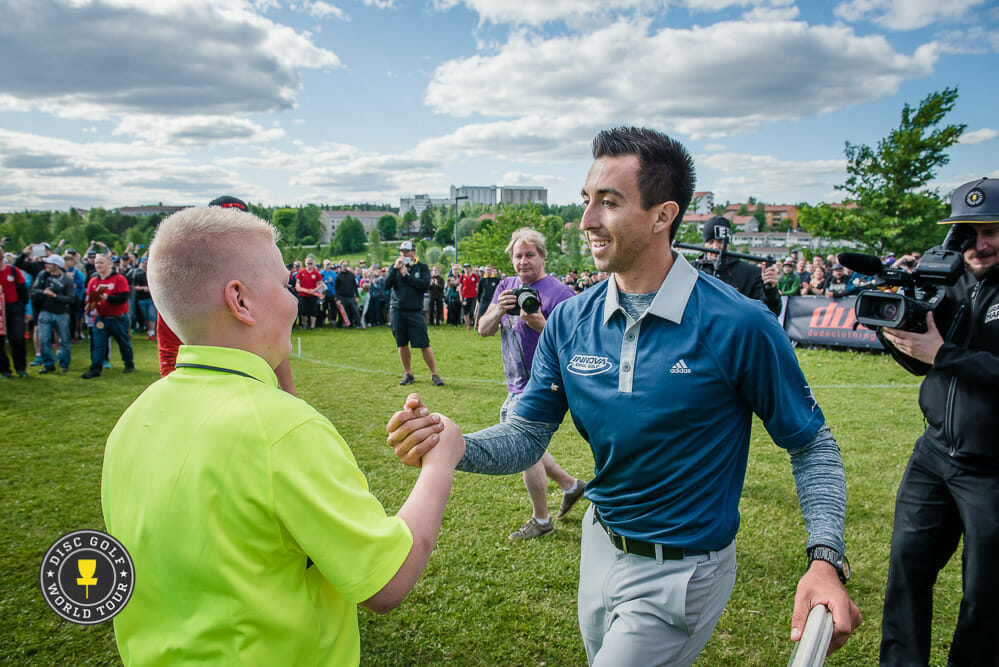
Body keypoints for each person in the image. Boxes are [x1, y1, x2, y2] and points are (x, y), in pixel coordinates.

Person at [388, 126, 860, 666]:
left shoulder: (740, 324)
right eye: (586, 200)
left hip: (683, 570)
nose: (586, 221)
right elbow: (526, 435)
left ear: (663, 216)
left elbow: (812, 444)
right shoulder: (569, 319)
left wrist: (825, 556)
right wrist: (456, 444)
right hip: (600, 542)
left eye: (608, 203)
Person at [101, 205, 464, 665]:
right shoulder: (285, 430)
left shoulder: (132, 420)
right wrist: (441, 459)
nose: (294, 300)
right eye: (285, 284)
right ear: (240, 300)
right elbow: (385, 581)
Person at [877, 177, 999, 666]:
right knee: (907, 572)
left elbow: (944, 357)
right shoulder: (949, 280)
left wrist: (944, 353)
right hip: (934, 453)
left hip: (992, 469)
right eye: (968, 231)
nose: (979, 244)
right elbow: (923, 362)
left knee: (985, 593)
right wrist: (896, 333)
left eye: (992, 231)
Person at [477, 227, 586, 540]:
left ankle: (541, 520)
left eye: (530, 255)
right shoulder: (506, 286)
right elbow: (482, 330)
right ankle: (570, 484)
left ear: (542, 256)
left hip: (545, 384)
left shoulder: (560, 293)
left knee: (523, 446)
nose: (523, 261)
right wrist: (499, 308)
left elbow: (578, 343)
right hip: (515, 382)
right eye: (517, 255)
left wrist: (541, 323)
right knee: (532, 447)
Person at [693, 216, 781, 314]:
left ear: (728, 242)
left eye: (720, 241)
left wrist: (770, 290)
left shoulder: (751, 273)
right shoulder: (692, 270)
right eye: (710, 242)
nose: (715, 247)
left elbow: (771, 312)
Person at [386, 241, 444, 386]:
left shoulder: (422, 267)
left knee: (424, 343)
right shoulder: (394, 268)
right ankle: (408, 373)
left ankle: (434, 374)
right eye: (401, 252)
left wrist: (407, 276)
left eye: (406, 252)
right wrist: (395, 269)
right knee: (402, 343)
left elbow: (425, 285)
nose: (403, 255)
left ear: (413, 252)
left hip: (415, 311)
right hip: (397, 310)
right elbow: (386, 285)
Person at [81, 253, 134, 378]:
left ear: (109, 264)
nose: (98, 265)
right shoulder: (93, 281)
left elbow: (123, 298)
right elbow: (88, 297)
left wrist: (107, 298)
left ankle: (129, 364)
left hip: (117, 317)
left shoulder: (119, 279)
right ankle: (95, 369)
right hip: (100, 317)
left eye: (101, 262)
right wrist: (90, 305)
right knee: (98, 344)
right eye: (96, 263)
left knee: (123, 342)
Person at [31, 254, 75, 373]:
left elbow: (71, 299)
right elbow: (34, 290)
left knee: (64, 340)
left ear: (56, 266)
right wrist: (43, 292)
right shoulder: (43, 275)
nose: (47, 265)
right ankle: (48, 365)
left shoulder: (67, 280)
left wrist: (55, 296)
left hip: (62, 314)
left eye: (49, 263)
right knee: (44, 339)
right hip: (45, 312)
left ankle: (64, 364)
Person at [1, 250, 30, 378]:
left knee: (18, 338)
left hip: (14, 307)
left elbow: (23, 291)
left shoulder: (13, 270)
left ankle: (20, 368)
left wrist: (25, 310)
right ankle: (4, 369)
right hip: (0, 310)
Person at [295, 257, 322, 329]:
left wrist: (314, 290)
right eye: (308, 263)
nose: (309, 265)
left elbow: (321, 284)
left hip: (313, 294)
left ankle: (313, 326)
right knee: (303, 310)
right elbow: (297, 282)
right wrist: (299, 288)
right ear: (305, 264)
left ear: (313, 264)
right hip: (303, 294)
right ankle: (305, 324)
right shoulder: (301, 272)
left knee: (314, 310)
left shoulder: (316, 273)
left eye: (311, 263)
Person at [334, 260, 362, 329]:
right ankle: (341, 325)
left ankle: (358, 324)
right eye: (344, 265)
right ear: (341, 266)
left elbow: (355, 286)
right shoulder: (338, 276)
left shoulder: (351, 275)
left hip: (351, 296)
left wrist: (357, 296)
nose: (345, 267)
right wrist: (337, 299)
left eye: (346, 265)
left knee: (355, 311)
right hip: (342, 297)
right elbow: (336, 289)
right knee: (343, 312)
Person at [458, 262, 479, 330]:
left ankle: (475, 324)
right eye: (465, 268)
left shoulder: (474, 276)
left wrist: (478, 296)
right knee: (465, 312)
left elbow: (477, 286)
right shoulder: (462, 277)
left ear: (470, 268)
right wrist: (461, 297)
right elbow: (460, 287)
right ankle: (467, 326)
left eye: (468, 267)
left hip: (473, 296)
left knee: (473, 311)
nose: (466, 269)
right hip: (465, 297)